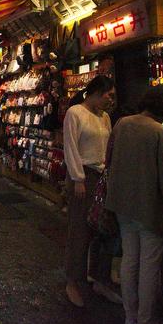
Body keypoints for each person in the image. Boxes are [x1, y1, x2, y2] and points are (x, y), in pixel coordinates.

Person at [105, 85, 163, 324]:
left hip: (122, 204)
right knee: (149, 268)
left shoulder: (122, 124)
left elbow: (110, 158)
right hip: (149, 208)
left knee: (129, 261)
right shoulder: (161, 133)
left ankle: (131, 320)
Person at [63, 75, 116, 308]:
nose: (110, 100)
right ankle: (73, 281)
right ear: (95, 92)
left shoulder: (105, 117)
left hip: (102, 177)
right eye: (108, 95)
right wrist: (78, 178)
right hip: (82, 176)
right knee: (80, 230)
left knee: (104, 230)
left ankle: (100, 278)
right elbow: (71, 147)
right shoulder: (75, 113)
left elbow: (108, 148)